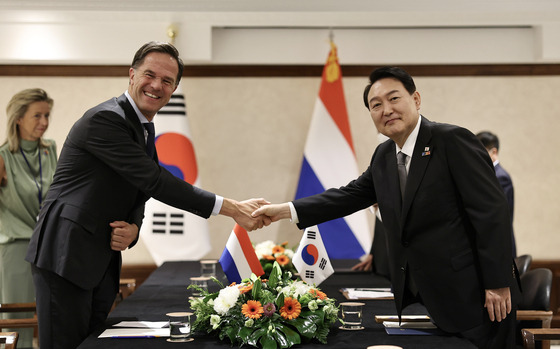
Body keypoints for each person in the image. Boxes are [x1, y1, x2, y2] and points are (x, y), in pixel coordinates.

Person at [25, 41, 270, 349]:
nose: (157, 85)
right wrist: (231, 208)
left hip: (98, 257)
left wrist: (135, 226)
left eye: (167, 81)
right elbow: (155, 180)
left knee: (92, 344)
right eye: (150, 75)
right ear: (131, 75)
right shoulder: (106, 119)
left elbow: (140, 186)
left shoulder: (141, 126)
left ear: (174, 89)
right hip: (66, 254)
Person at [254, 66, 520, 349]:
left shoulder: (452, 141)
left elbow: (491, 213)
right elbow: (349, 196)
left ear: (416, 99)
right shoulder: (384, 155)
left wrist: (497, 282)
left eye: (394, 99)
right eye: (376, 105)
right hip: (425, 298)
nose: (386, 109)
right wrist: (284, 210)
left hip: (477, 296)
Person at [0, 88, 57, 348]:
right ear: (18, 118)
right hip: (16, 247)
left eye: (47, 115)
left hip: (50, 245)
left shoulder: (51, 150)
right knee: (19, 322)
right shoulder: (3, 158)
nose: (44, 122)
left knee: (53, 319)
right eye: (37, 116)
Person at [476, 131, 516, 257]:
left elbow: (499, 215)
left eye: (481, 151)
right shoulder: (489, 174)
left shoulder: (500, 177)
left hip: (499, 243)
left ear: (494, 152)